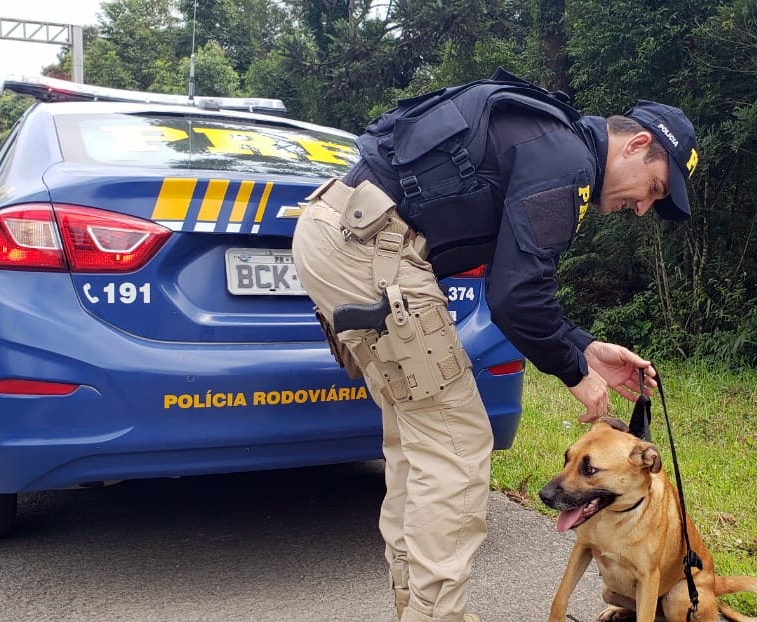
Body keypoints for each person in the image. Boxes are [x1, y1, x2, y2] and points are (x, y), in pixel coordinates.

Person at [291, 69, 698, 622]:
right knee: (457, 442)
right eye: (653, 187)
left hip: (342, 234)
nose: (645, 207)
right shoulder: (566, 160)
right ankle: (437, 615)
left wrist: (583, 348)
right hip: (369, 248)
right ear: (638, 144)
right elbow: (517, 295)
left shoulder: (550, 142)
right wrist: (575, 371)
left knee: (421, 441)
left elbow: (511, 287)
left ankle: (420, 607)